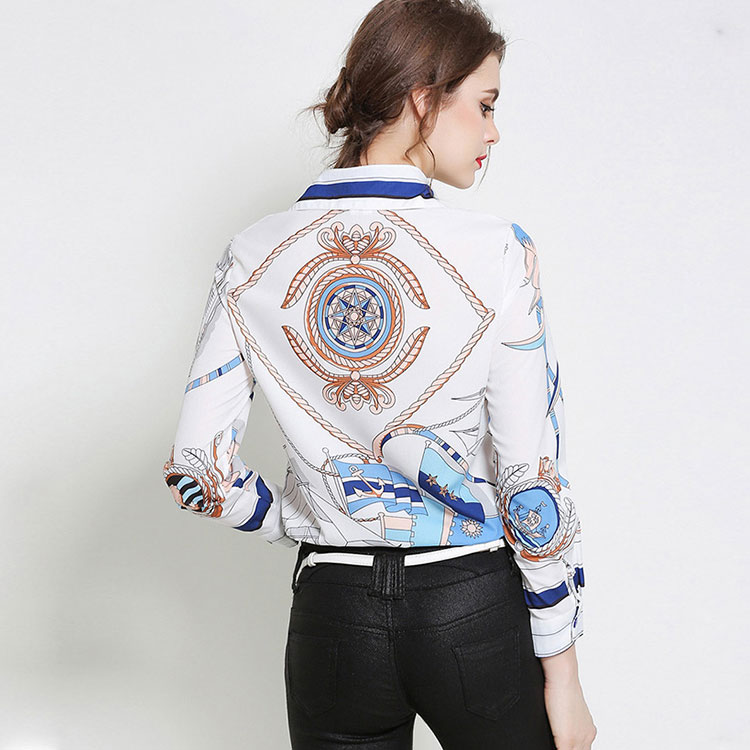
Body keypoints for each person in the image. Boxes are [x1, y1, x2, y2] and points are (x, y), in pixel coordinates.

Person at [162, 1, 596, 748]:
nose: (493, 131)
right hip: (470, 605)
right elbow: (530, 482)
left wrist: (302, 518)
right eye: (485, 104)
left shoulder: (251, 254)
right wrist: (563, 673)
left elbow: (195, 469)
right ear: (424, 99)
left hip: (332, 613)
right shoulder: (497, 252)